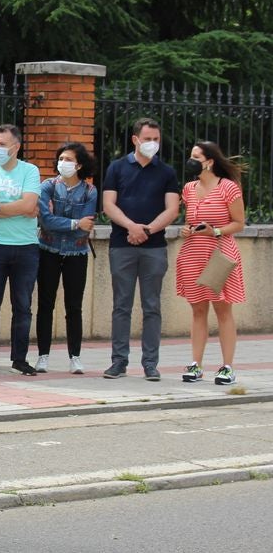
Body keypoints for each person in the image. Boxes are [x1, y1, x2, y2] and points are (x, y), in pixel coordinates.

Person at [102, 118, 179, 380]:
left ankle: (150, 364)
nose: (152, 144)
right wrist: (132, 227)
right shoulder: (116, 167)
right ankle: (119, 362)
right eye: (147, 139)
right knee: (121, 306)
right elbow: (109, 205)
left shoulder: (167, 172)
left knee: (152, 306)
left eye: (156, 139)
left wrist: (147, 230)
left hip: (154, 247)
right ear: (135, 139)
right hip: (122, 246)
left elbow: (172, 209)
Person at [176, 142, 246, 386]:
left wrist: (214, 231)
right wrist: (187, 230)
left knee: (222, 309)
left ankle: (227, 366)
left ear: (210, 161)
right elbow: (191, 220)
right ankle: (196, 364)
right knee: (197, 310)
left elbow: (239, 223)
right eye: (190, 156)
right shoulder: (189, 188)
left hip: (218, 253)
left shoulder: (228, 188)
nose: (191, 160)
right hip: (192, 253)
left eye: (196, 156)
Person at [0, 124, 41, 376]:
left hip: (26, 248)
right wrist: (16, 208)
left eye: (2, 144)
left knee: (22, 306)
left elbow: (30, 204)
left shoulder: (30, 170)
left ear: (16, 147)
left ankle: (20, 359)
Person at [35, 142, 97, 375]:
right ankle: (43, 355)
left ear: (79, 164)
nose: (63, 163)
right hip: (48, 250)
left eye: (69, 159)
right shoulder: (48, 186)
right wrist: (73, 223)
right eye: (61, 158)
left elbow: (86, 227)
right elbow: (46, 221)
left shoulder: (90, 191)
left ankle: (75, 357)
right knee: (45, 303)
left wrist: (74, 225)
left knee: (74, 306)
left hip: (76, 253)